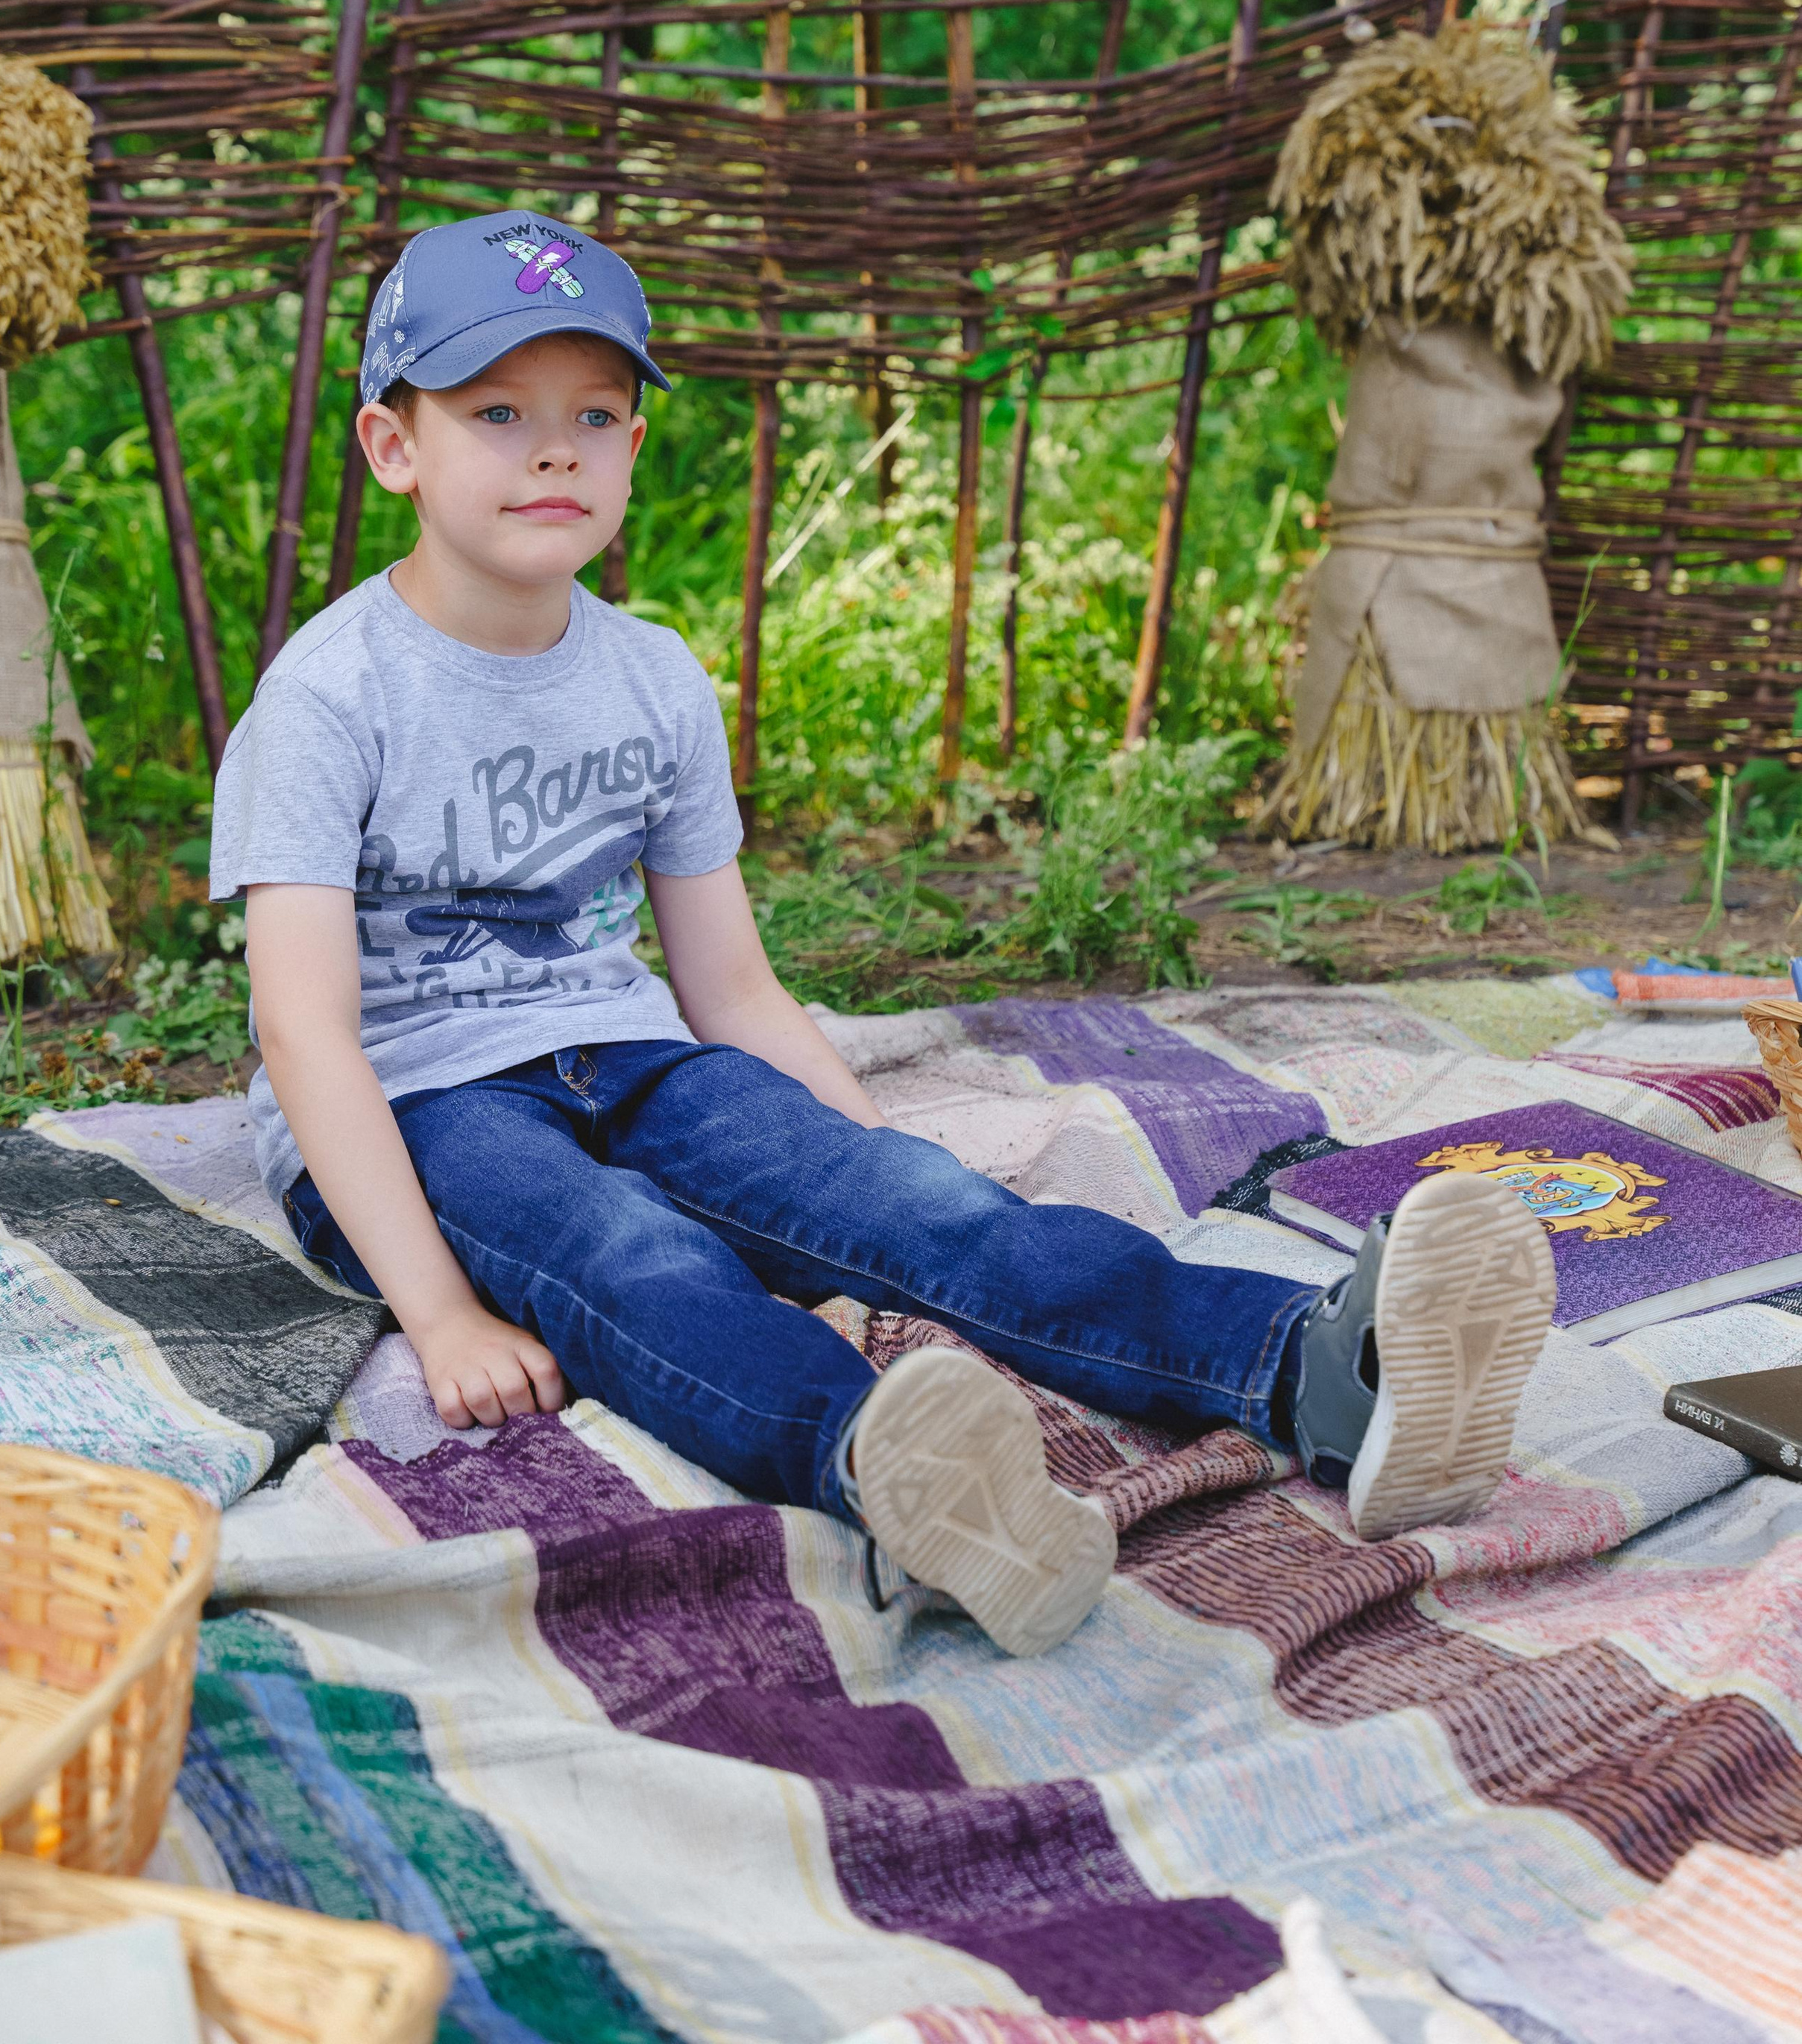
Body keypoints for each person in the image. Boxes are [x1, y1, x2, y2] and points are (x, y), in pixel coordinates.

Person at [212, 213, 1557, 1658]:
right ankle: (891, 1475)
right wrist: (436, 1313)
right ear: (391, 447)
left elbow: (729, 983)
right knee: (633, 1263)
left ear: (627, 446)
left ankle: (1314, 1374)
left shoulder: (650, 679)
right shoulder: (332, 699)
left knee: (934, 1216)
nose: (553, 451)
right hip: (417, 1103)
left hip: (628, 1055)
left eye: (592, 415)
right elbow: (305, 1032)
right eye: (496, 413)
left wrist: (863, 1184)